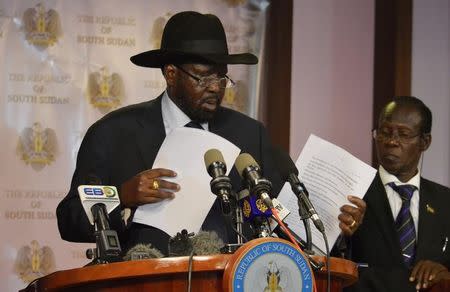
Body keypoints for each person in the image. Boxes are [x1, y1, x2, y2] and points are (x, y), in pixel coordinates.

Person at [57, 11, 363, 257]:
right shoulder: (114, 133)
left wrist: (335, 223)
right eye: (203, 77)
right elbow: (69, 219)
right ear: (171, 73)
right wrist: (122, 197)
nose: (215, 87)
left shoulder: (248, 134)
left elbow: (281, 220)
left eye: (221, 76)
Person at [347, 96, 450, 291]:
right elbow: (331, 262)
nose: (391, 141)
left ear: (425, 142)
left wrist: (444, 273)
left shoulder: (445, 202)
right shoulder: (353, 193)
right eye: (384, 132)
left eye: (403, 134)